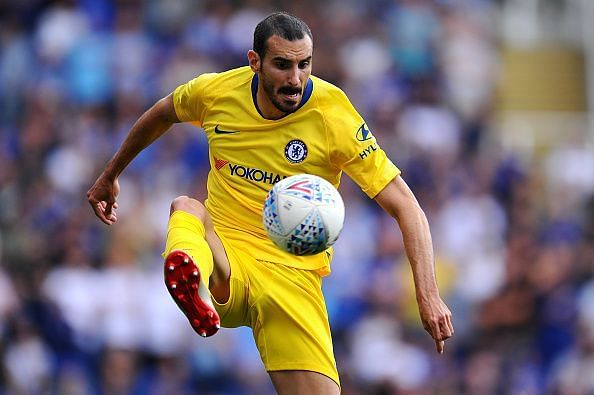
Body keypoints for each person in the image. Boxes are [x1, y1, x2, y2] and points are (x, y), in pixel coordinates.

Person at [87, 12, 454, 394]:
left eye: (304, 65)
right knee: (187, 207)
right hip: (226, 259)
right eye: (282, 64)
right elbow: (163, 112)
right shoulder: (216, 93)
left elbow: (407, 206)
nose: (295, 79)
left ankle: (196, 282)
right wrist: (110, 174)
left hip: (291, 277)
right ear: (254, 61)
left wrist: (427, 295)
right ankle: (193, 286)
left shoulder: (334, 116)